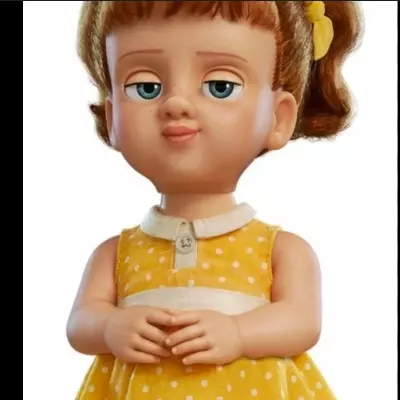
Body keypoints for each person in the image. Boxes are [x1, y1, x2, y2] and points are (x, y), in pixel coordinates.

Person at [67, 1, 363, 399]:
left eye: (220, 86)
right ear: (112, 118)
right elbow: (80, 324)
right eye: (145, 87)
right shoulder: (115, 253)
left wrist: (238, 333)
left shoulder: (279, 250)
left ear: (278, 118)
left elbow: (303, 322)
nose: (176, 104)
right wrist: (109, 327)